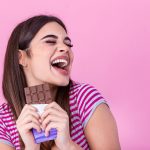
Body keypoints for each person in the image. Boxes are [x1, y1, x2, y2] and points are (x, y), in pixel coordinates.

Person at [0, 15, 121, 150]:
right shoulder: (3, 121)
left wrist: (68, 146)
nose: (65, 48)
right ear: (21, 57)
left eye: (68, 44)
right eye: (50, 41)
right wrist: (30, 148)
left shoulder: (85, 99)